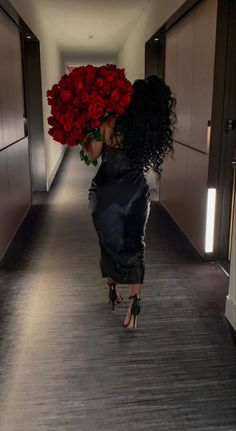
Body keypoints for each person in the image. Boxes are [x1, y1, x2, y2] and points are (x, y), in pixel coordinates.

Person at [83, 75, 176, 329]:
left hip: (103, 196)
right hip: (133, 198)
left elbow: (92, 155)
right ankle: (134, 309)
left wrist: (85, 133)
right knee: (135, 247)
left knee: (107, 242)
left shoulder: (111, 122)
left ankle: (112, 290)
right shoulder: (150, 132)